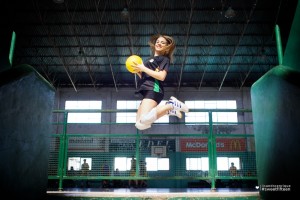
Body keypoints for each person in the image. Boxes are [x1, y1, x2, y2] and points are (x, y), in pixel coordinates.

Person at [131, 34, 189, 130]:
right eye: (158, 41)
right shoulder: (148, 60)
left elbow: (161, 77)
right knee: (139, 125)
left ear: (166, 47)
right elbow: (145, 76)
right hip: (146, 89)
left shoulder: (164, 59)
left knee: (144, 120)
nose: (159, 43)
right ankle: (168, 111)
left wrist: (143, 68)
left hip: (154, 89)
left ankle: (171, 105)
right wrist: (138, 71)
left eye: (162, 42)